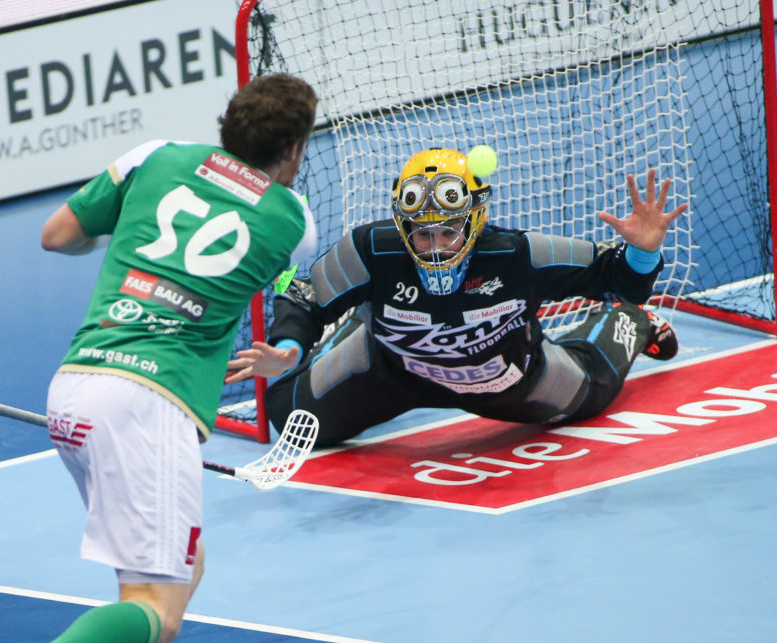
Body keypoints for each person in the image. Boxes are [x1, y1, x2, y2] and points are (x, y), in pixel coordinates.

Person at [0, 73, 319, 643]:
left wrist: (132, 252)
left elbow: (58, 236)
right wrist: (281, 357)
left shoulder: (157, 154)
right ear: (294, 148)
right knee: (159, 612)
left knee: (168, 573)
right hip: (151, 404)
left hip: (74, 387)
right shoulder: (292, 215)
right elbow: (291, 290)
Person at [242, 147, 687, 445]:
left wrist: (642, 252)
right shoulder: (371, 250)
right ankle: (363, 325)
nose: (435, 246)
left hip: (510, 382)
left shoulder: (518, 255)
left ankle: (633, 324)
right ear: (402, 226)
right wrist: (288, 347)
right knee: (289, 418)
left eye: (449, 232)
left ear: (475, 222)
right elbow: (302, 294)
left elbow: (617, 279)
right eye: (422, 233)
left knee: (592, 392)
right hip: (391, 373)